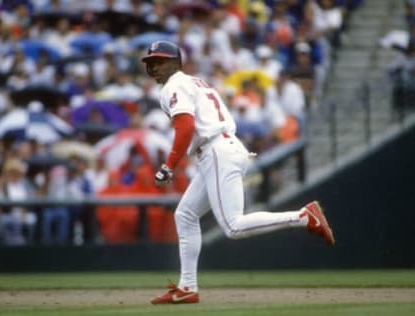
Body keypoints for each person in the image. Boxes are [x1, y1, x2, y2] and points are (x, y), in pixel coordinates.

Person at [141, 40, 335, 305]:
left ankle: (303, 216)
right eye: (151, 63)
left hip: (217, 151)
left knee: (233, 226)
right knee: (185, 215)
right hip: (222, 148)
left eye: (159, 61)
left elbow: (185, 127)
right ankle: (187, 286)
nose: (154, 67)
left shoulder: (174, 85)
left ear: (176, 63)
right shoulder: (193, 82)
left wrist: (168, 166)